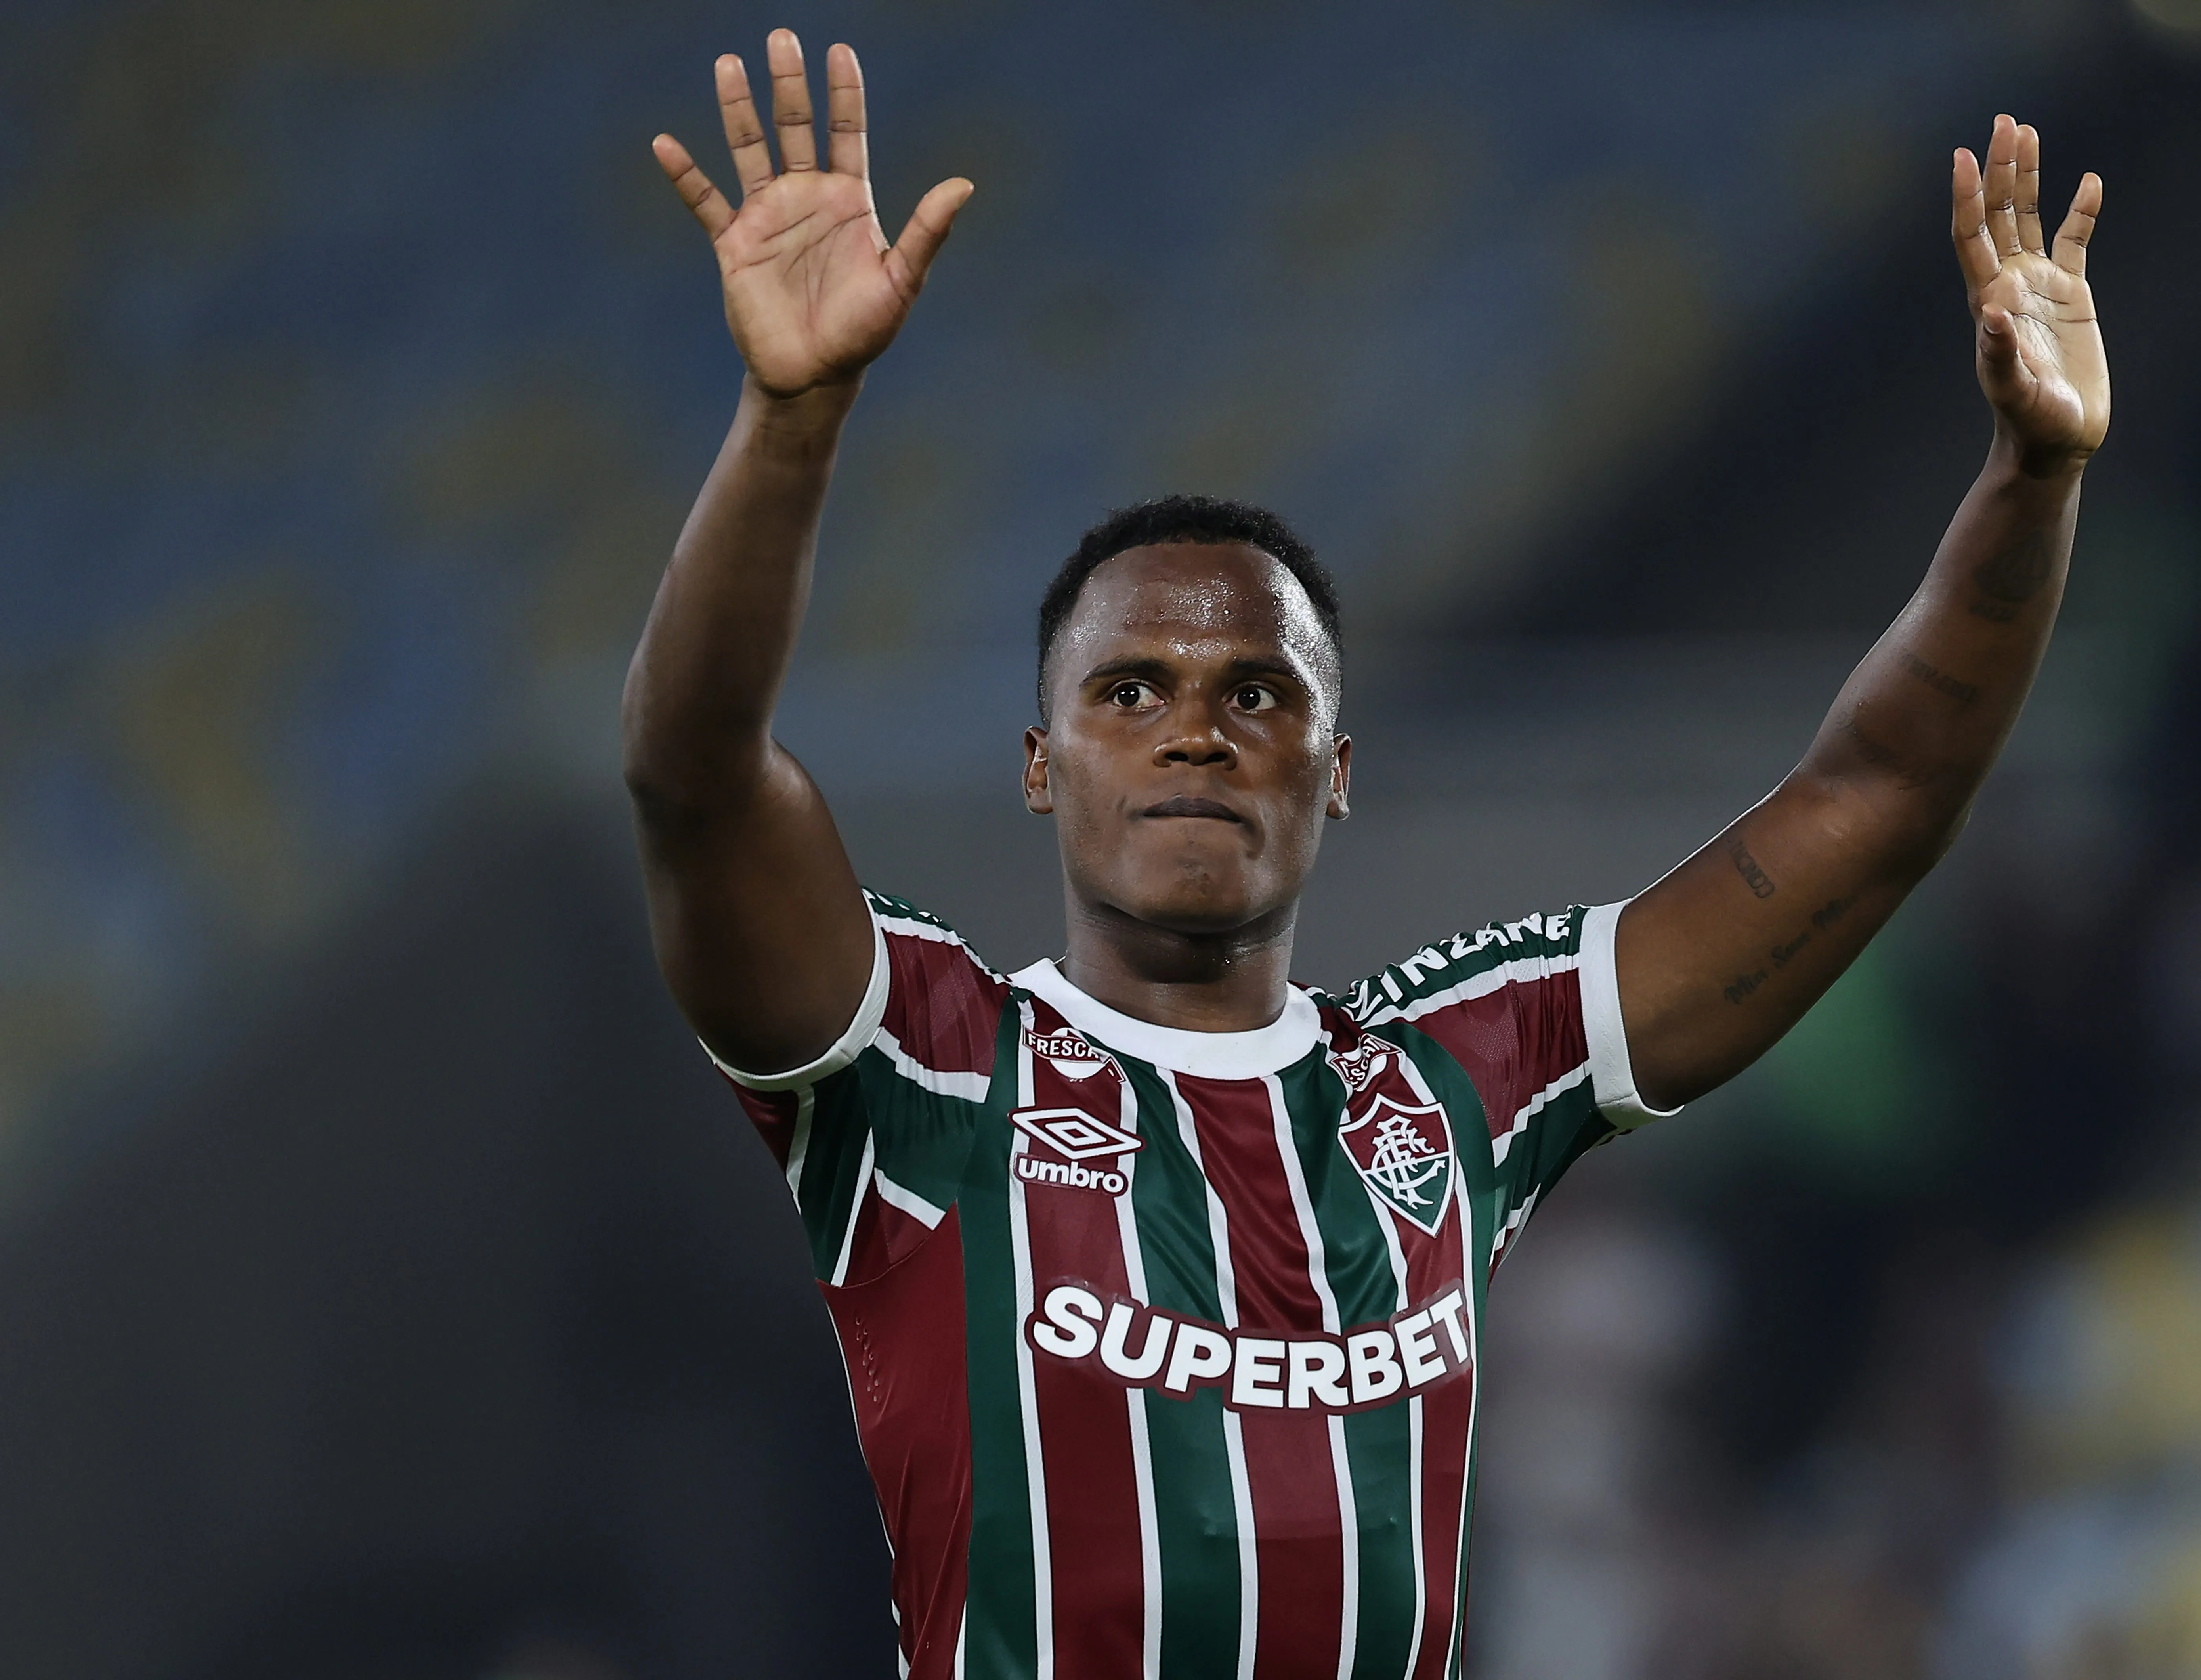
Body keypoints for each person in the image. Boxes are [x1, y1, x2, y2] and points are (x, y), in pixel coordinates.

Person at [623, 27, 2107, 1680]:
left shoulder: (1461, 1081)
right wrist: (791, 420)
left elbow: (1878, 796)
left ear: (1335, 777)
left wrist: (2033, 478)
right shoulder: (925, 1066)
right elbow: (694, 781)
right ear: (1042, 769)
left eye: (1258, 694)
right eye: (1131, 692)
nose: (1197, 731)